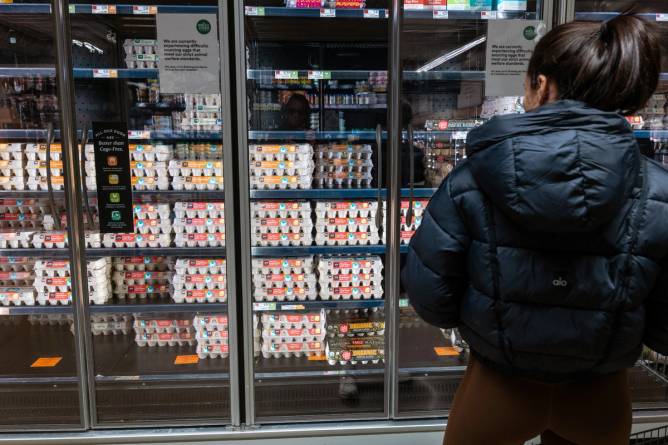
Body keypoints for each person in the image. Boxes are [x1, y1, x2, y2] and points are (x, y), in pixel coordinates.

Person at [401, 13, 665, 445]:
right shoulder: (658, 190)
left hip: (497, 389)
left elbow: (431, 297)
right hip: (600, 395)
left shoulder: (473, 178)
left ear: (542, 85)